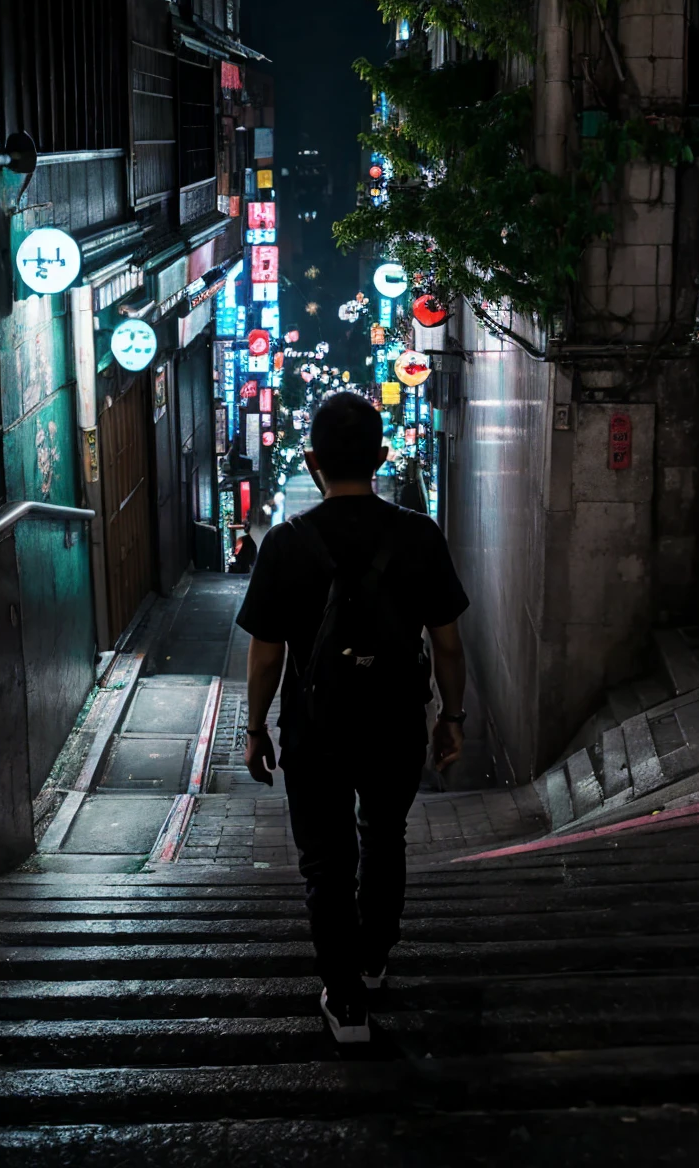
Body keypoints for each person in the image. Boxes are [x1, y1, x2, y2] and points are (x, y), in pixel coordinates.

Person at [235, 392, 469, 1045]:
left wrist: (255, 730)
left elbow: (264, 655)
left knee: (325, 860)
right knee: (385, 833)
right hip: (395, 719)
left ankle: (343, 997)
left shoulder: (283, 544)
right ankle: (373, 956)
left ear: (312, 460)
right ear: (383, 457)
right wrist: (452, 716)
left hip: (315, 726)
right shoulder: (419, 535)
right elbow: (448, 644)